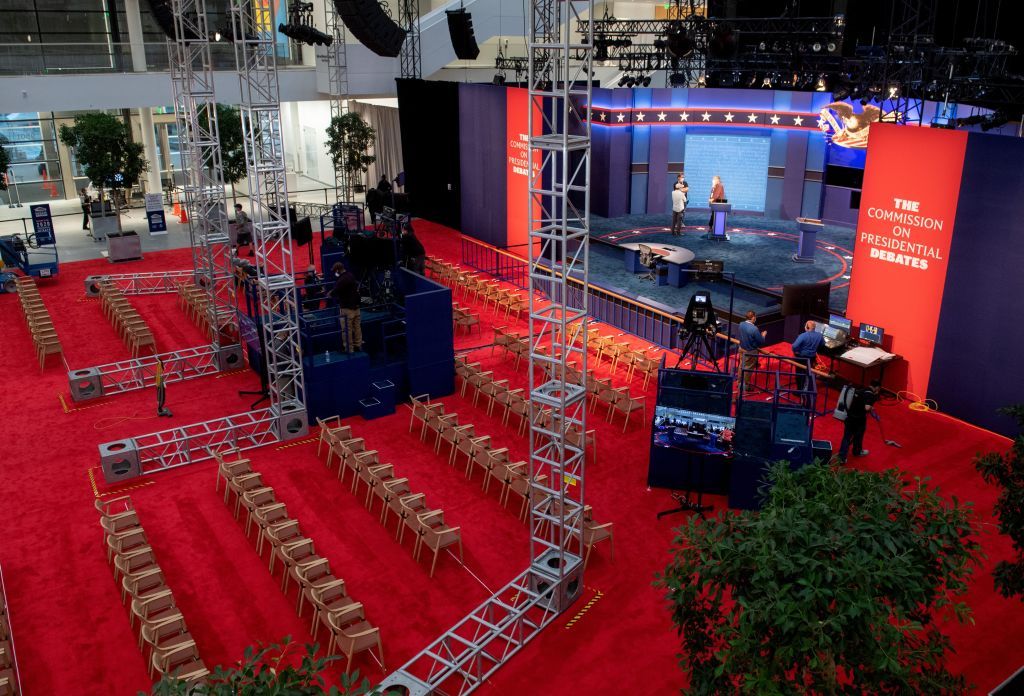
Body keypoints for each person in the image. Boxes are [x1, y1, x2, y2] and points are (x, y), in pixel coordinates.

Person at [836, 380, 881, 462]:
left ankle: (842, 457)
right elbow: (867, 407)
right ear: (877, 387)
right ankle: (857, 451)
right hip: (858, 420)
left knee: (846, 437)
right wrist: (872, 406)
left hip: (849, 417)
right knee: (858, 436)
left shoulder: (861, 390)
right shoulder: (870, 395)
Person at [330, 261, 362, 353]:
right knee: (357, 327)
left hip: (347, 308)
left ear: (337, 270)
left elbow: (336, 290)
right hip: (356, 307)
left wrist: (330, 293)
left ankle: (349, 349)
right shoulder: (351, 275)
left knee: (346, 330)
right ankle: (358, 345)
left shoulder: (342, 279)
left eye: (335, 271)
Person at [791, 320, 825, 402]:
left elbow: (794, 346)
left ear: (807, 327)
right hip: (812, 358)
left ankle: (800, 391)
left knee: (799, 374)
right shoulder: (820, 336)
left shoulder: (803, 335)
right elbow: (822, 345)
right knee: (808, 373)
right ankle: (807, 390)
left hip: (801, 358)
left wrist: (797, 351)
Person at [738, 310, 767, 390]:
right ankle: (745, 386)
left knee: (741, 366)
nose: (756, 318)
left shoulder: (741, 324)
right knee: (748, 369)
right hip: (750, 351)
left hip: (741, 348)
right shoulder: (754, 329)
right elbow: (761, 342)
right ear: (753, 317)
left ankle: (739, 383)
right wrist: (763, 335)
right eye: (755, 317)